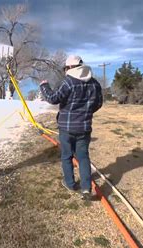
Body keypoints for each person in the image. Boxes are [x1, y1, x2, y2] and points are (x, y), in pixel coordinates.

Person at [39, 55, 103, 200]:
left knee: (67, 156)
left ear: (69, 68)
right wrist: (86, 113)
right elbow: (98, 103)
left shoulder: (68, 82)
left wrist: (44, 86)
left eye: (66, 68)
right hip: (84, 128)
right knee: (83, 156)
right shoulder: (95, 84)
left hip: (66, 128)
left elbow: (53, 98)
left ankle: (70, 183)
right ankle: (86, 188)